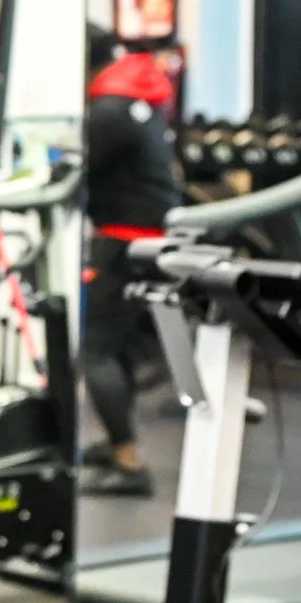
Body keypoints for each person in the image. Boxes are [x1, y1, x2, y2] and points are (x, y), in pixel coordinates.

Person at [79, 25, 182, 497]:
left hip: (122, 238)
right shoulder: (137, 95)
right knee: (115, 348)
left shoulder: (107, 112)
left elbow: (79, 172)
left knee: (95, 352)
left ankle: (128, 462)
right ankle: (119, 441)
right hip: (148, 236)